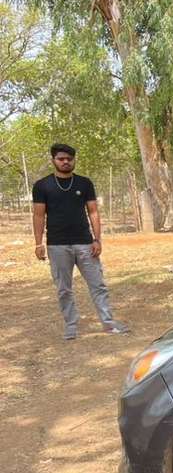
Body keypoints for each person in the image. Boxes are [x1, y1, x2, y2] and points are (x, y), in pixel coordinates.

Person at [32, 143, 129, 340]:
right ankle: (71, 326)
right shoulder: (42, 186)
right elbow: (38, 215)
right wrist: (38, 243)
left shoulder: (84, 183)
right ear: (53, 160)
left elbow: (93, 212)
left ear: (74, 160)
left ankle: (109, 324)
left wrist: (97, 239)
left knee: (98, 284)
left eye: (69, 159)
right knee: (63, 289)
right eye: (61, 159)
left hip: (85, 243)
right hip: (57, 245)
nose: (66, 162)